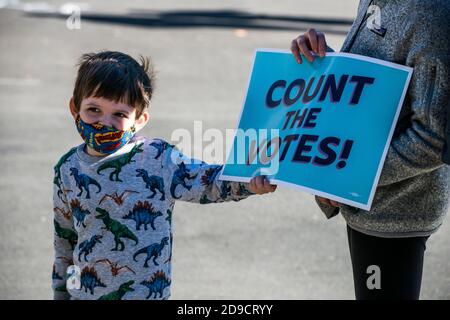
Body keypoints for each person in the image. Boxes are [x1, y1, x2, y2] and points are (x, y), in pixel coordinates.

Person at [52, 51, 277, 300]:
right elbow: (66, 241)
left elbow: (208, 182)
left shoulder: (157, 158)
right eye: (94, 109)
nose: (104, 122)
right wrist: (63, 293)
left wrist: (247, 182)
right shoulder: (67, 169)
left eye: (119, 114)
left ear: (139, 120)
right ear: (75, 107)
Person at [290, 0, 450, 300]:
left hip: (397, 213)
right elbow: (381, 86)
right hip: (368, 204)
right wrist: (321, 61)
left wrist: (350, 176)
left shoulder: (433, 13)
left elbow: (434, 139)